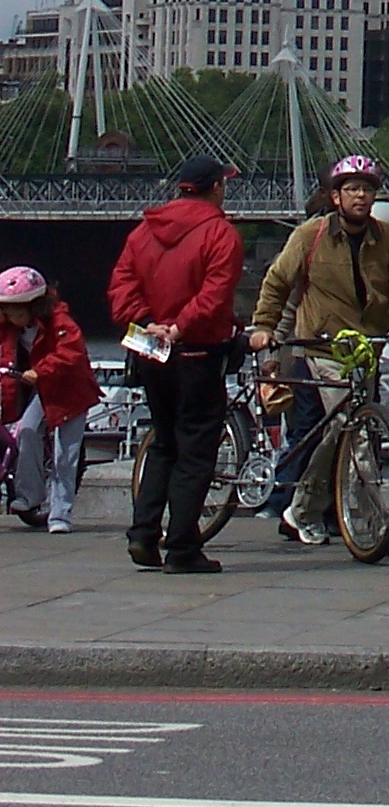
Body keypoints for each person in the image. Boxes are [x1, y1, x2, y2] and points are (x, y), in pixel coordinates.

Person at [248, 153, 389, 547]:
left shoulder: (388, 238)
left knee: (338, 433)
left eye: (367, 190)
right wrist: (264, 328)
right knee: (358, 432)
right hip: (323, 348)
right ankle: (373, 526)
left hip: (365, 349)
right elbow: (277, 282)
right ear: (335, 197)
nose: (361, 197)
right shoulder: (310, 236)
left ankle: (301, 511)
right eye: (352, 190)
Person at [108, 151, 243, 574]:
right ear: (216, 187)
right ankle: (183, 546)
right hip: (198, 351)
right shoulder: (221, 235)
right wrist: (181, 327)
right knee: (196, 449)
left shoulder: (143, 232)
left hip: (150, 350)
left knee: (164, 441)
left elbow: (121, 287)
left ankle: (143, 533)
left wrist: (149, 324)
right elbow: (215, 293)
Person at [0, 269, 101, 534]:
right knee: (27, 431)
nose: (11, 318)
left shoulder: (60, 322)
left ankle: (61, 514)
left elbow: (72, 353)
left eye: (16, 312)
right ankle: (29, 495)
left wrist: (41, 370)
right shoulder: (10, 324)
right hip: (43, 390)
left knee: (65, 453)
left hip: (70, 392)